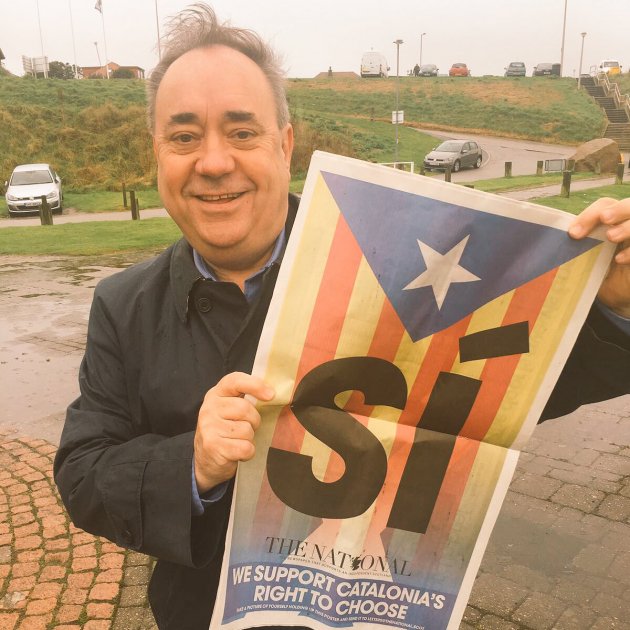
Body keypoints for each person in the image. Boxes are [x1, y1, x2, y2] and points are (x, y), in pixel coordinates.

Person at [54, 4, 630, 630]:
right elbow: (83, 473)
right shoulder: (123, 306)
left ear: (285, 144)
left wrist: (611, 306)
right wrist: (190, 463)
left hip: (379, 610)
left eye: (242, 132)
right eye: (184, 137)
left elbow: (523, 378)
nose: (213, 161)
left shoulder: (392, 267)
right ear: (158, 153)